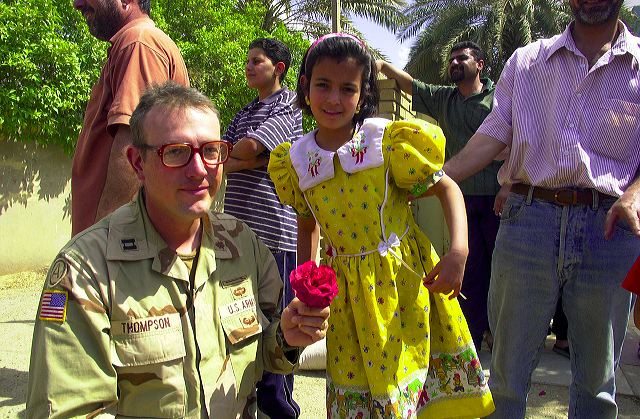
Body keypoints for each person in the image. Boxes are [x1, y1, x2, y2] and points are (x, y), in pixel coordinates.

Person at [26, 82, 329, 419]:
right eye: (176, 152)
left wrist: (286, 336)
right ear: (137, 163)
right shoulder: (86, 271)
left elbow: (260, 355)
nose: (199, 169)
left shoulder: (244, 246)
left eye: (211, 150)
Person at [268, 33, 494, 418]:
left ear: (363, 93)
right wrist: (308, 285)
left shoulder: (384, 144)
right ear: (305, 87)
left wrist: (458, 252)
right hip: (346, 302)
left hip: (402, 286)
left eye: (347, 88)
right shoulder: (297, 161)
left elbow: (447, 187)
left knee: (406, 390)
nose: (334, 98)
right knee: (359, 393)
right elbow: (308, 225)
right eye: (323, 85)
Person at [441, 0, 640, 415]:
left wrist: (634, 194)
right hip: (527, 220)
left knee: (597, 384)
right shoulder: (527, 61)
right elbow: (493, 134)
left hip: (609, 229)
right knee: (506, 377)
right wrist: (436, 177)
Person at [378, 42, 500, 350]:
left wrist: (511, 184)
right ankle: (471, 337)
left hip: (499, 199)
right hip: (461, 198)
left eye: (463, 58)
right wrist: (380, 66)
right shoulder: (444, 98)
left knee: (502, 272)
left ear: (480, 64)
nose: (456, 62)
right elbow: (410, 84)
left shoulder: (499, 98)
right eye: (453, 59)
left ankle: (499, 336)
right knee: (471, 270)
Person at [222, 38, 303, 418]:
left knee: (279, 328)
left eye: (258, 61)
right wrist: (250, 160)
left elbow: (248, 147)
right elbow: (229, 152)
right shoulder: (244, 110)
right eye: (248, 60)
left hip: (275, 236)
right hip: (237, 236)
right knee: (241, 322)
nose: (249, 66)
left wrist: (249, 158)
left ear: (279, 68)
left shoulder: (289, 107)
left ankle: (283, 410)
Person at [71, 0, 189, 235]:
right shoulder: (134, 43)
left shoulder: (138, 43)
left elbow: (134, 144)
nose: (77, 4)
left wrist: (103, 240)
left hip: (113, 247)